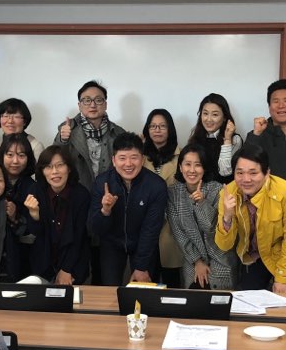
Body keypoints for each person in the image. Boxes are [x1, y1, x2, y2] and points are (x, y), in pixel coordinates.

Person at [214, 145, 286, 293]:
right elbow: (224, 245)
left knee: (283, 302)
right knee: (247, 300)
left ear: (267, 173)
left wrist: (283, 277)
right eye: (240, 173)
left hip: (285, 254)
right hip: (255, 255)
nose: (246, 179)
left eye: (253, 173)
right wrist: (227, 217)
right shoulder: (228, 193)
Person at [88, 132, 168, 285]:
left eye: (134, 157)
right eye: (122, 158)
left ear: (142, 159)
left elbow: (151, 229)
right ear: (114, 160)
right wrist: (105, 211)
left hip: (142, 243)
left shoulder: (156, 185)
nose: (128, 164)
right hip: (111, 244)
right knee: (110, 289)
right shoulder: (102, 182)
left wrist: (141, 266)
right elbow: (95, 229)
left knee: (143, 291)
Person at [166, 144, 235, 289]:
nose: (192, 170)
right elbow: (178, 232)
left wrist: (201, 203)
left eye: (198, 165)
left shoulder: (217, 189)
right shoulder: (173, 193)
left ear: (204, 168)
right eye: (187, 164)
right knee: (192, 294)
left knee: (219, 296)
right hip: (192, 258)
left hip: (219, 257)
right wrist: (197, 261)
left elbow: (211, 228)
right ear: (180, 167)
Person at [23, 145, 91, 285]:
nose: (54, 171)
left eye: (60, 165)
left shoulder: (81, 195)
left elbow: (79, 236)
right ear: (42, 171)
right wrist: (35, 215)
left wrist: (66, 269)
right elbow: (35, 232)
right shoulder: (36, 190)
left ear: (69, 168)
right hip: (43, 263)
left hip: (73, 264)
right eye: (48, 167)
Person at [54, 80, 126, 191]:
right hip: (76, 192)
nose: (93, 105)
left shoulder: (118, 132)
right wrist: (63, 140)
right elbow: (54, 160)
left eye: (98, 100)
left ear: (105, 104)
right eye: (87, 100)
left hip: (108, 192)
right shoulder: (67, 128)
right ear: (79, 105)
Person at [142, 108, 183, 287]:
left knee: (172, 283)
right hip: (145, 225)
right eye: (153, 126)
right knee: (146, 284)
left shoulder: (181, 157)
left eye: (162, 126)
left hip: (172, 227)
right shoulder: (139, 157)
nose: (157, 130)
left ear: (170, 129)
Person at [0, 133, 37, 280]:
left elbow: (33, 231)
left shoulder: (32, 187)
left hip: (19, 256)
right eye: (10, 155)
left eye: (21, 155)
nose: (15, 161)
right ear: (1, 156)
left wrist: (15, 217)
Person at [188, 93, 243, 183]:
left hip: (223, 188)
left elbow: (224, 172)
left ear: (224, 117)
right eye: (205, 113)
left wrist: (227, 140)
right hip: (199, 187)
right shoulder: (196, 137)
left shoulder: (234, 139)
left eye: (215, 115)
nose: (208, 119)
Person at [0, 97, 45, 163]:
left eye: (16, 117)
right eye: (5, 116)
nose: (10, 121)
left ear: (24, 121)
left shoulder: (35, 146)